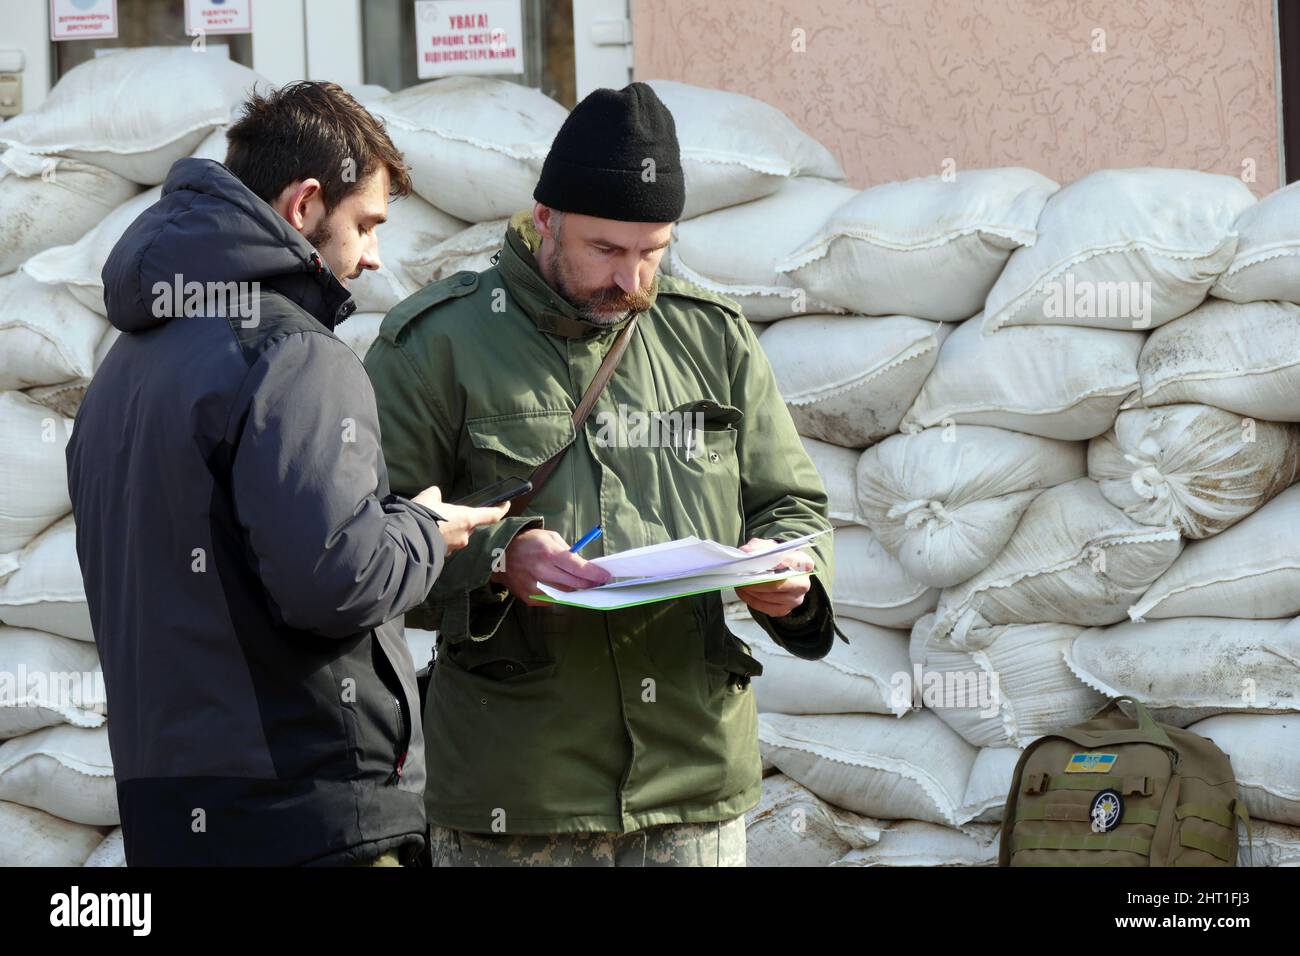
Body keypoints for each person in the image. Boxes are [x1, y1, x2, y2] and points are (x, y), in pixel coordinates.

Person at [364, 82, 841, 867]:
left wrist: (794, 579)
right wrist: (495, 562)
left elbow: (791, 503)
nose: (631, 282)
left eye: (653, 253)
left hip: (693, 782)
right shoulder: (435, 345)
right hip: (518, 794)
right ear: (543, 219)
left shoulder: (710, 337)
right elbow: (370, 549)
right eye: (606, 251)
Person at [65, 81, 506, 866]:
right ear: (305, 205)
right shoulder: (291, 353)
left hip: (173, 815)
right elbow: (336, 577)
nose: (373, 255)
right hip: (307, 818)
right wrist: (424, 530)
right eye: (366, 225)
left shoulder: (121, 371)